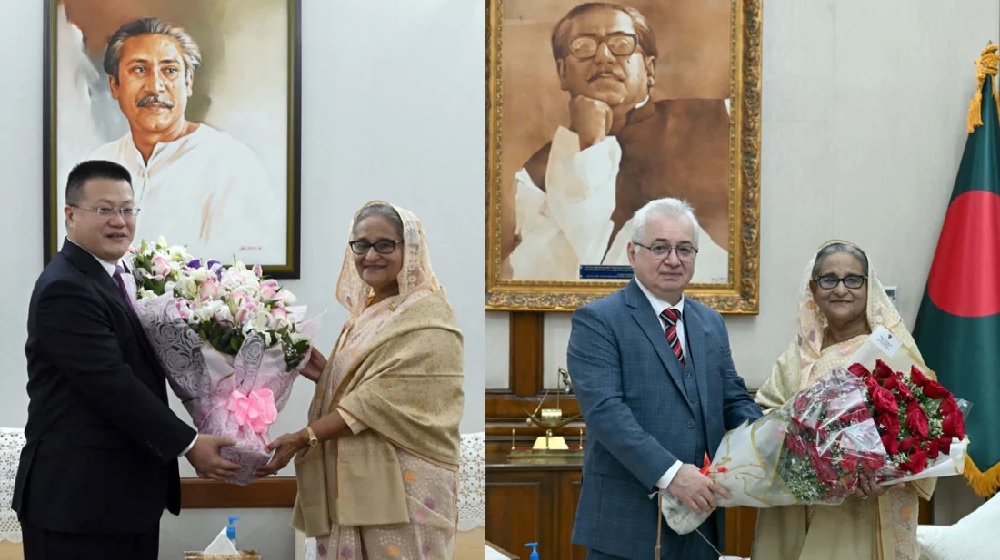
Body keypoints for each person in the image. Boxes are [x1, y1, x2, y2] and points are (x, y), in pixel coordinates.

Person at [13, 160, 240, 559]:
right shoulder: (65, 288)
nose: (119, 221)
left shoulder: (114, 277)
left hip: (121, 502)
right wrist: (188, 443)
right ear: (70, 215)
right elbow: (113, 385)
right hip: (77, 507)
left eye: (127, 209)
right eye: (104, 210)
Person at [255, 201, 465, 559]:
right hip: (351, 474)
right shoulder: (365, 313)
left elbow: (383, 398)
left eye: (385, 244)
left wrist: (304, 437)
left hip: (405, 482)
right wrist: (326, 373)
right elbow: (368, 384)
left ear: (410, 249)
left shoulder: (429, 316)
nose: (371, 255)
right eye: (361, 244)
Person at [567, 197, 761, 559]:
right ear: (632, 252)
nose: (673, 260)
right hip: (626, 527)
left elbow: (732, 400)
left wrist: (774, 439)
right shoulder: (598, 321)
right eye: (660, 247)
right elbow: (606, 414)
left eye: (685, 249)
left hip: (701, 520)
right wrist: (671, 474)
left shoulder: (711, 324)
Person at [504, 2, 731, 283]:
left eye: (621, 43)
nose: (603, 56)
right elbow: (544, 276)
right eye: (583, 46)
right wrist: (590, 146)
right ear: (562, 72)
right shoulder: (535, 174)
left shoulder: (723, 119)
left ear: (649, 69)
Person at [752, 240, 937, 560]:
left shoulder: (891, 354)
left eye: (853, 279)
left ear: (870, 287)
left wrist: (888, 473)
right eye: (828, 279)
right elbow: (765, 420)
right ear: (813, 288)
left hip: (863, 511)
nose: (841, 289)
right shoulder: (795, 359)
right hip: (796, 507)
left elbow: (927, 432)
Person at [87, 17, 282, 264]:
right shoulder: (97, 165)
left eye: (170, 70)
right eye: (139, 69)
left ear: (188, 83)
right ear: (114, 85)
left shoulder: (232, 165)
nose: (155, 86)